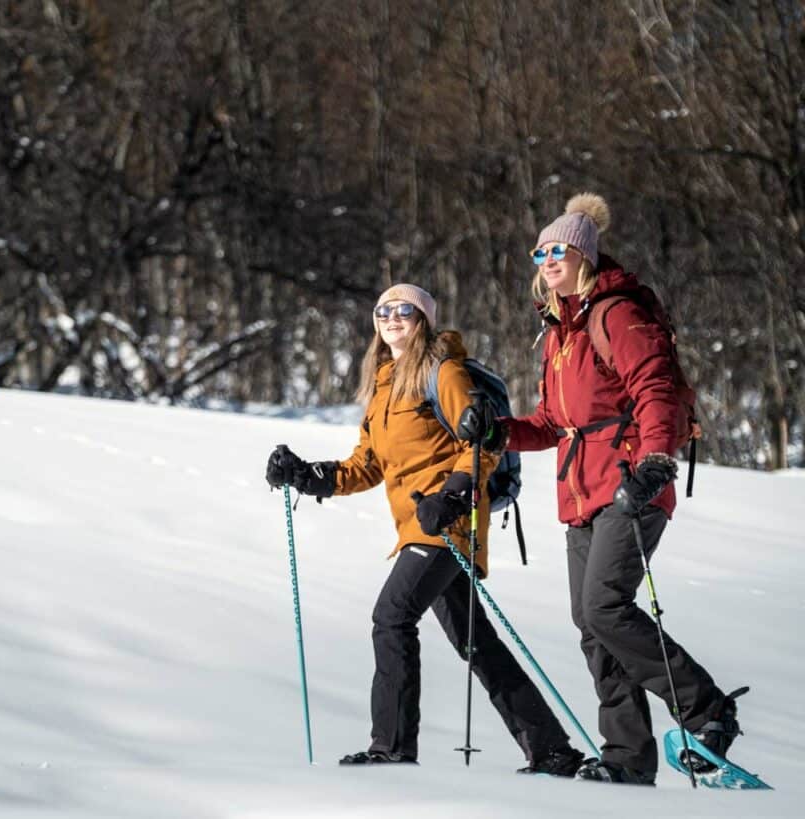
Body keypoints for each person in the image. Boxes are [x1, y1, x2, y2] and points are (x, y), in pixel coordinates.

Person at [460, 193, 743, 785]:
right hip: (581, 491)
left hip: (632, 480)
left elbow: (656, 387)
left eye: (558, 249)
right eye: (540, 251)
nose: (547, 259)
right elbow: (550, 424)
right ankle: (627, 757)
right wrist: (497, 429)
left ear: (584, 252)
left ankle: (707, 708)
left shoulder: (615, 312)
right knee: (590, 624)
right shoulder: (560, 332)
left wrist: (656, 462)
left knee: (606, 607)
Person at [265, 283, 583, 774]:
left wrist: (453, 496)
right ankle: (553, 750)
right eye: (383, 311)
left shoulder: (444, 371)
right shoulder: (384, 386)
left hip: (444, 526)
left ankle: (392, 748)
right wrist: (308, 475)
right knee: (477, 644)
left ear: (424, 320)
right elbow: (365, 466)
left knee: (391, 617)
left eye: (404, 310)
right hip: (419, 527)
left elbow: (483, 442)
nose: (392, 318)